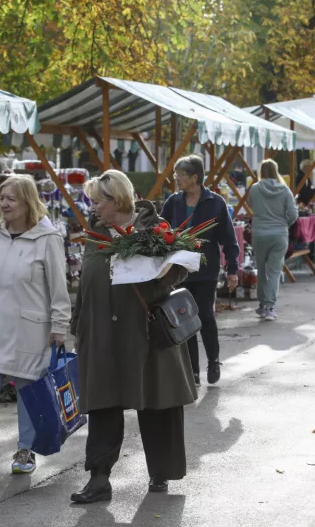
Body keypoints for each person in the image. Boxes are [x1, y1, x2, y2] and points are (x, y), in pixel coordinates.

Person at [70, 170, 197, 503]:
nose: (93, 208)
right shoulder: (95, 234)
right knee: (102, 405)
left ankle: (162, 472)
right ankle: (99, 479)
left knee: (157, 401)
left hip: (145, 332)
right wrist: (78, 325)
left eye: (97, 201)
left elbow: (181, 266)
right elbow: (84, 283)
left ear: (117, 200)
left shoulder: (154, 229)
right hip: (102, 334)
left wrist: (160, 272)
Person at [0, 175, 71, 479]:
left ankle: (25, 451)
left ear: (28, 203)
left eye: (11, 199)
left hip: (29, 328)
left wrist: (60, 325)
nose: (4, 204)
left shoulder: (48, 239)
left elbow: (60, 288)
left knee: (26, 389)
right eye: (2, 198)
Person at [162, 156, 239, 386]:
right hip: (179, 270)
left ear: (194, 177)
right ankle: (192, 370)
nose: (176, 179)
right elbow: (160, 229)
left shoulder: (215, 203)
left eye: (180, 175)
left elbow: (229, 238)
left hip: (206, 269)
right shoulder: (173, 202)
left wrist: (233, 269)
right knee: (185, 319)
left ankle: (213, 361)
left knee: (205, 314)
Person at [248, 159, 299, 321]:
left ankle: (262, 305)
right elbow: (293, 214)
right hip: (279, 235)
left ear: (261, 172)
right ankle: (270, 307)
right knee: (274, 271)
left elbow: (251, 205)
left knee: (261, 269)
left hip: (259, 234)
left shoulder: (255, 189)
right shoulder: (285, 190)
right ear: (276, 171)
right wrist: (284, 223)